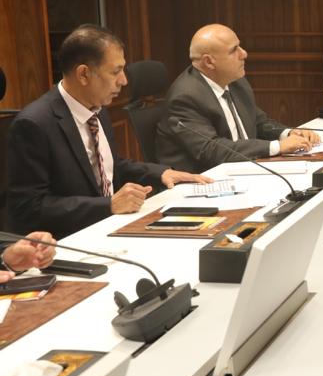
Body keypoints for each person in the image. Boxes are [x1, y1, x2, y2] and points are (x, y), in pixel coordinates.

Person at [7, 25, 210, 239]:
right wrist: (108, 205)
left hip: (112, 226)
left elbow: (108, 164)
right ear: (84, 74)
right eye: (115, 72)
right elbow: (28, 207)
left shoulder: (96, 107)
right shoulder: (34, 124)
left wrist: (161, 173)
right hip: (69, 240)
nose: (124, 80)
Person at [155, 24, 321, 173]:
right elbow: (211, 150)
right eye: (234, 50)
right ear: (209, 62)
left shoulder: (236, 82)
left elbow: (259, 122)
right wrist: (277, 146)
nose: (244, 54)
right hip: (202, 181)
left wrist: (288, 133)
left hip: (241, 169)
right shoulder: (186, 97)